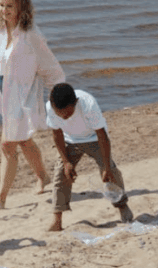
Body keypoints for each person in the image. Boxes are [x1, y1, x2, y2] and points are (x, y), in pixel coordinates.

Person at [0, 0, 66, 211]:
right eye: (1, 5)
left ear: (22, 5)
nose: (4, 10)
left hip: (24, 95)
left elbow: (50, 66)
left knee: (7, 144)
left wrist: (60, 95)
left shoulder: (32, 35)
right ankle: (43, 176)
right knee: (22, 140)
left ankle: (0, 198)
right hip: (2, 93)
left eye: (9, 5)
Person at [45, 83, 133, 231]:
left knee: (111, 172)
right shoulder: (50, 107)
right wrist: (66, 162)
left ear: (75, 103)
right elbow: (57, 134)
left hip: (94, 139)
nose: (63, 117)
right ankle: (57, 219)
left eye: (67, 114)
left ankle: (122, 206)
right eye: (59, 114)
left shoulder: (88, 104)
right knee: (60, 174)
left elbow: (102, 135)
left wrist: (105, 166)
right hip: (70, 140)